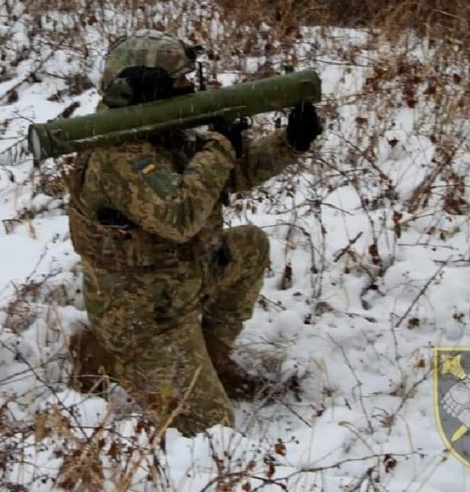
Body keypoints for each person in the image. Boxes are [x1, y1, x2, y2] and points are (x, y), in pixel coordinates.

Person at [66, 29, 323, 436]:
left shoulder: (166, 128)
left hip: (180, 284)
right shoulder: (118, 151)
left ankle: (212, 360)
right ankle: (109, 353)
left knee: (249, 245)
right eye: (182, 78)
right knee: (211, 429)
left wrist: (290, 142)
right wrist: (221, 145)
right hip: (146, 317)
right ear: (146, 85)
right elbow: (180, 215)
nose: (192, 85)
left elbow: (226, 175)